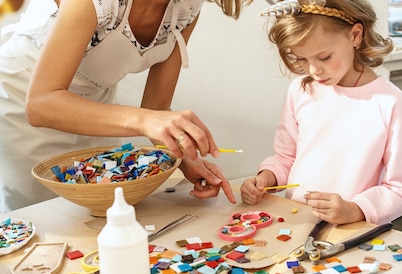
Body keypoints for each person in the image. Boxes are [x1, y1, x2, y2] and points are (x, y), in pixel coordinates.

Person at [0, 0, 252, 213]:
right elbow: (41, 104)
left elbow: (157, 106)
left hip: (97, 104)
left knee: (104, 210)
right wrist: (144, 121)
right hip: (22, 95)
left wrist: (184, 156)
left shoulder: (187, 7)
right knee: (43, 217)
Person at [241, 0, 402, 225]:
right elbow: (286, 158)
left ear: (355, 35)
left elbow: (401, 190)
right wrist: (264, 179)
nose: (313, 70)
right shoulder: (300, 90)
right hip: (295, 223)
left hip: (351, 230)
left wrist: (354, 209)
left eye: (324, 57)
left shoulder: (388, 101)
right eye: (301, 59)